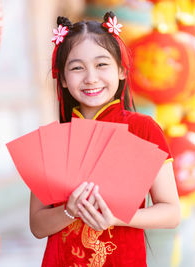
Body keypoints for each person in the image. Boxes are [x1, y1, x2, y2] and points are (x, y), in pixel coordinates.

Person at [30, 11, 180, 267]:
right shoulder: (53, 140)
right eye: (77, 68)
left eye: (102, 65)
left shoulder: (142, 129)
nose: (91, 78)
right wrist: (70, 211)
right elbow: (37, 225)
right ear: (63, 79)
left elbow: (171, 213)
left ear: (121, 71)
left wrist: (115, 218)